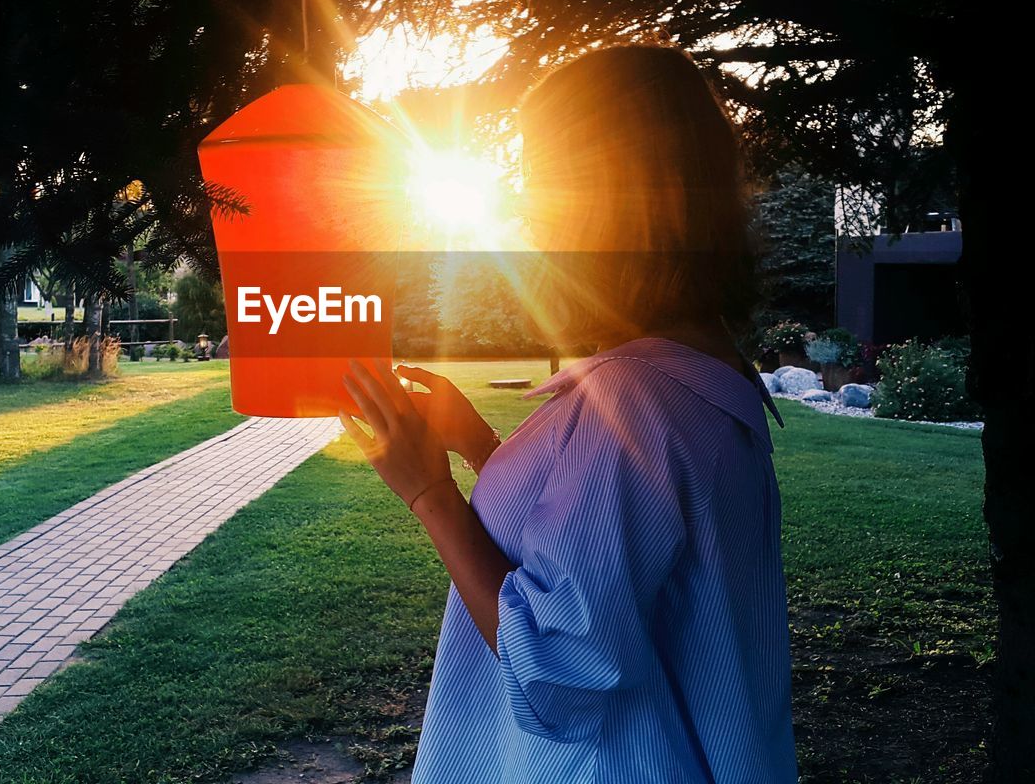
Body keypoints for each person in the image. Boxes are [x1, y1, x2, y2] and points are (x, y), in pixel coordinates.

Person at [339, 44, 796, 783]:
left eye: (542, 179)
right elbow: (603, 545)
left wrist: (428, 494)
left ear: (611, 194)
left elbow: (556, 666)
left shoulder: (635, 403)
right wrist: (486, 449)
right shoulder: (707, 370)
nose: (526, 210)